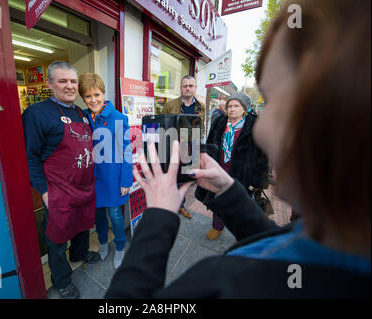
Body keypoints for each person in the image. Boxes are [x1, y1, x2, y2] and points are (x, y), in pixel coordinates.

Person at [105, 0, 370, 298]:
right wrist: (229, 191)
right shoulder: (337, 240)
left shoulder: (231, 284)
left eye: (271, 99)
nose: (261, 127)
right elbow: (281, 246)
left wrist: (157, 216)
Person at [22, 61, 100, 299]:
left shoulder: (80, 113)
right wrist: (44, 191)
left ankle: (80, 253)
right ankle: (62, 280)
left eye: (73, 81)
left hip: (84, 187)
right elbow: (30, 157)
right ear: (50, 83)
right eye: (62, 81)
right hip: (58, 190)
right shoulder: (36, 114)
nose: (69, 86)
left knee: (83, 226)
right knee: (56, 239)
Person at [78, 73, 133, 270]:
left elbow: (126, 151)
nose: (93, 100)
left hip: (112, 177)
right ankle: (102, 242)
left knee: (116, 216)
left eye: (97, 94)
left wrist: (126, 181)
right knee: (98, 215)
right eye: (88, 96)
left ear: (103, 94)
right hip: (93, 178)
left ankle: (119, 247)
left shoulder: (118, 117)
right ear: (83, 98)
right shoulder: (83, 117)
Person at [197, 91, 269, 240]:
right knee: (218, 199)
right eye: (230, 106)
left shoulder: (255, 125)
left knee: (240, 204)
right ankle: (217, 226)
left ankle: (241, 231)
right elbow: (210, 143)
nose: (232, 109)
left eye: (236, 106)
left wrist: (258, 180)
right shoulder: (220, 122)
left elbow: (263, 156)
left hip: (243, 173)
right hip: (220, 169)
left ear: (245, 109)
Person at [161, 75, 206, 219]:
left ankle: (180, 205)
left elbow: (201, 128)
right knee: (171, 177)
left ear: (195, 88)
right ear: (181, 88)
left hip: (191, 148)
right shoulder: (170, 105)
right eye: (185, 86)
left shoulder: (201, 107)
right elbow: (162, 127)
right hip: (173, 148)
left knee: (186, 178)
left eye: (190, 86)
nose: (187, 88)